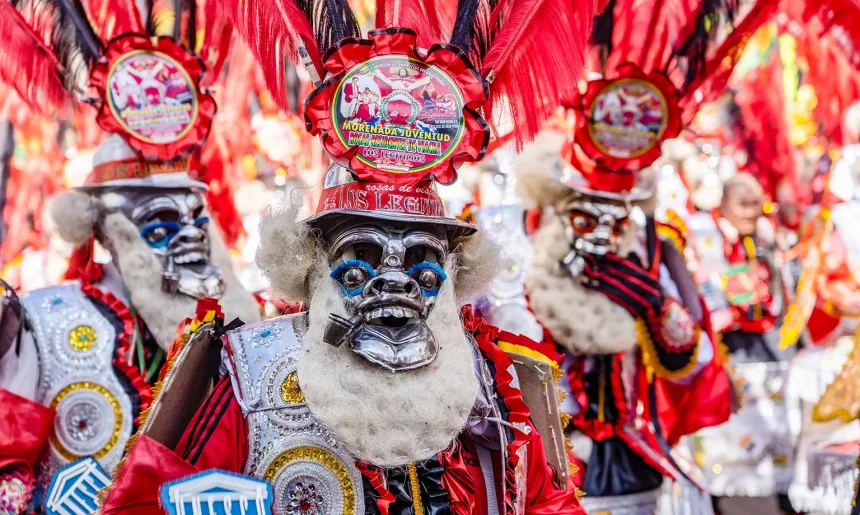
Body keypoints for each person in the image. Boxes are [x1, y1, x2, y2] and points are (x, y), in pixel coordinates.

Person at [100, 164, 588, 515]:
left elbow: (544, 501)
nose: (395, 282)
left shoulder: (491, 372)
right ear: (313, 266)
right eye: (362, 259)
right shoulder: (248, 369)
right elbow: (153, 501)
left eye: (422, 260)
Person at [516, 133, 734, 515]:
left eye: (614, 224)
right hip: (549, 461)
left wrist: (651, 302)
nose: (601, 237)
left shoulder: (646, 263)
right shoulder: (524, 272)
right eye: (584, 220)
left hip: (632, 455)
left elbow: (694, 362)